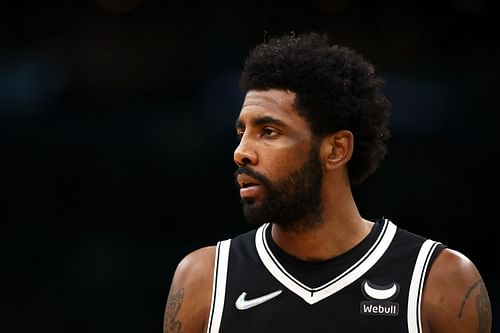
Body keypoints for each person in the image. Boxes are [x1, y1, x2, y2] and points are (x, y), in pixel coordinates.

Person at [163, 32, 492, 333]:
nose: (242, 152)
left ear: (336, 149)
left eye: (269, 132)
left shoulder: (440, 280)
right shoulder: (203, 280)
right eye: (241, 133)